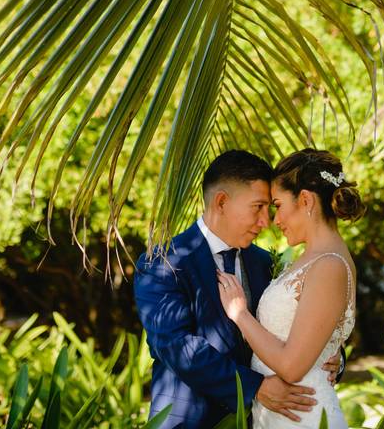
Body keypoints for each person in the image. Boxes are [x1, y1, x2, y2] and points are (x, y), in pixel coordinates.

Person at [134, 150, 342, 428]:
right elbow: (176, 346)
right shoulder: (162, 263)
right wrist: (255, 387)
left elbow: (296, 323)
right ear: (221, 202)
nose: (266, 222)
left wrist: (330, 356)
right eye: (258, 207)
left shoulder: (265, 262)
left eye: (270, 209)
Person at [218, 149, 363, 428]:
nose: (275, 220)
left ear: (305, 200)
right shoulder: (312, 258)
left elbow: (292, 366)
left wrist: (240, 315)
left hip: (302, 416)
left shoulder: (329, 265)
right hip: (279, 415)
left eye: (278, 205)